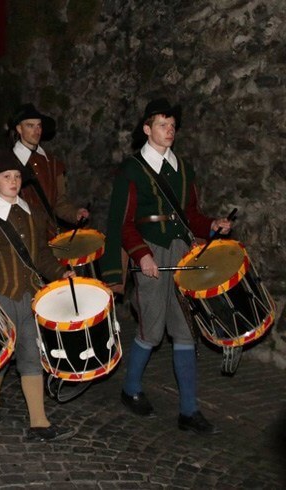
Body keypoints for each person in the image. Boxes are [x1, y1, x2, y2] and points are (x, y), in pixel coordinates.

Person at [101, 98, 232, 435]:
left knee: (186, 328)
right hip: (151, 252)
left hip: (182, 253)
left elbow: (191, 214)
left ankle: (189, 410)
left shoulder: (183, 168)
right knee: (153, 328)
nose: (169, 129)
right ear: (146, 128)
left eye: (172, 124)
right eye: (162, 123)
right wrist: (141, 254)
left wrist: (211, 226)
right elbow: (122, 221)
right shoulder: (132, 169)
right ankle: (130, 388)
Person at [0, 149, 76, 441]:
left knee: (30, 353)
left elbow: (40, 255)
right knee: (3, 354)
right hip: (0, 297)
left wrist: (60, 273)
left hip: (30, 296)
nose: (13, 182)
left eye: (16, 177)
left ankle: (39, 422)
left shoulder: (33, 215)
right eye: (6, 177)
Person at [10, 104, 88, 236]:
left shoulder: (52, 164)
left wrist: (75, 214)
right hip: (20, 238)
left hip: (48, 237)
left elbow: (59, 203)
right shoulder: (7, 163)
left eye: (39, 125)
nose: (36, 130)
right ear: (19, 128)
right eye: (30, 125)